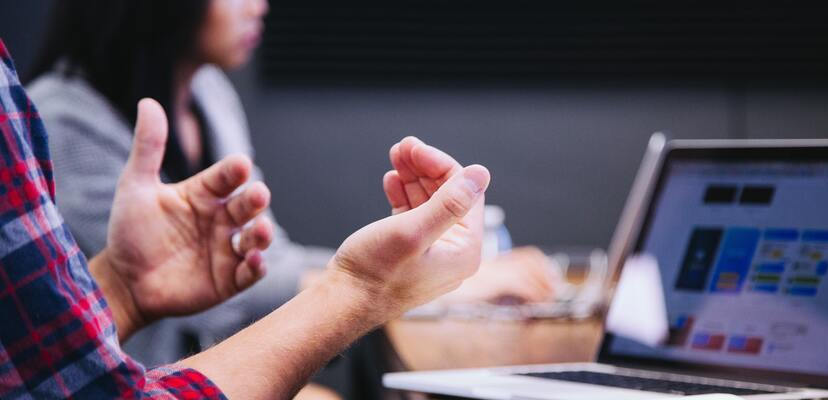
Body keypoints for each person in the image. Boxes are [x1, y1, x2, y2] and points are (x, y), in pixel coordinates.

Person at [26, 1, 556, 385]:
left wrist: (406, 273)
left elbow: (259, 260)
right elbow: (222, 302)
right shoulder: (62, 123)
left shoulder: (208, 93)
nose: (260, 6)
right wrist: (413, 281)